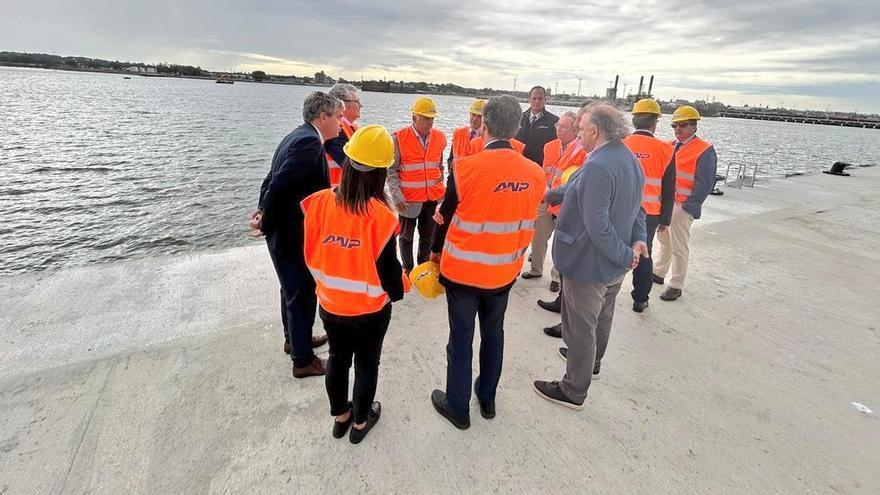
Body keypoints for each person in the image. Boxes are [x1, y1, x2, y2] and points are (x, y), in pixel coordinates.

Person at [428, 95, 545, 429]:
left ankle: (457, 406)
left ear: (485, 124)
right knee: (494, 335)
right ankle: (488, 398)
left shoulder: (464, 168)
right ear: (517, 127)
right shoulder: (535, 174)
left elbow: (444, 217)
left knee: (461, 339)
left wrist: (435, 253)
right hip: (504, 273)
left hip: (463, 274)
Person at [533, 104, 647, 410]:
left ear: (595, 131)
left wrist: (627, 255)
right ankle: (591, 364)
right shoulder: (628, 158)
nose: (578, 135)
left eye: (581, 130)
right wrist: (637, 240)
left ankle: (573, 389)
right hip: (613, 263)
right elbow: (637, 207)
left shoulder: (598, 165)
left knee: (580, 328)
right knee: (602, 318)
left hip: (590, 263)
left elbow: (598, 226)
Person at [301, 124, 406, 444]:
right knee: (366, 364)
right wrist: (402, 289)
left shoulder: (317, 203)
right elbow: (389, 274)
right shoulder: (381, 216)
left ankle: (341, 416)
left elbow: (310, 248)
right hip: (370, 310)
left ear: (347, 162)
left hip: (330, 304)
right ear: (380, 173)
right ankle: (360, 422)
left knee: (337, 360)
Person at [251, 91, 342, 378]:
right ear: (323, 116)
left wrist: (262, 209)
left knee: (289, 290)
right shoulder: (309, 143)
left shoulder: (296, 136)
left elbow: (271, 179)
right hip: (292, 233)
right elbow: (279, 183)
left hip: (282, 231)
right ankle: (303, 361)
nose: (341, 124)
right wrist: (264, 219)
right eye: (338, 117)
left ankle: (295, 340)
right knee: (301, 293)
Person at [653, 105, 718, 301]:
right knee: (664, 240)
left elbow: (705, 182)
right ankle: (659, 272)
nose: (678, 129)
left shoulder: (705, 150)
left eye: (683, 125)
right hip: (666, 202)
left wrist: (690, 206)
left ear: (694, 126)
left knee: (679, 246)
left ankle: (676, 284)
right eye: (675, 125)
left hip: (682, 205)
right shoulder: (670, 145)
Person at [521, 111, 584, 292]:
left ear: (575, 130)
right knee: (538, 236)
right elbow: (543, 172)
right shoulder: (549, 146)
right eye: (558, 126)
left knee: (561, 242)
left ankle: (556, 277)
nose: (558, 129)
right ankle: (536, 269)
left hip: (567, 204)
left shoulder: (581, 151)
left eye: (563, 127)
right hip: (545, 199)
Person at [623, 99, 676, 312]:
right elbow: (669, 187)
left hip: (620, 208)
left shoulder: (620, 142)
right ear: (655, 123)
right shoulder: (666, 149)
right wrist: (665, 219)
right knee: (644, 252)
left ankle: (603, 291)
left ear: (634, 120)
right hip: (649, 213)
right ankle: (640, 298)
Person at [386, 97, 447, 273]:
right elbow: (391, 171)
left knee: (428, 236)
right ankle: (407, 269)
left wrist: (441, 195)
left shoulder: (440, 137)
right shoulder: (398, 138)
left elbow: (439, 166)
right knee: (406, 237)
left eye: (432, 119)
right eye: (425, 118)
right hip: (408, 198)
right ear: (414, 117)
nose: (429, 122)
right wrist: (396, 195)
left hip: (432, 197)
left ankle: (423, 269)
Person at [325, 83, 362, 187]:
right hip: (335, 193)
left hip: (342, 191)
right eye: (357, 101)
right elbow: (353, 166)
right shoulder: (337, 130)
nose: (361, 105)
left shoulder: (351, 128)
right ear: (343, 104)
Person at [515, 86, 559, 165]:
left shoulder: (554, 121)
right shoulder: (518, 119)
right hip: (518, 164)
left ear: (545, 100)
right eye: (534, 98)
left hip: (540, 166)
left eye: (540, 99)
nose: (536, 101)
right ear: (529, 99)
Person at [448, 99, 485, 166]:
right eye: (473, 115)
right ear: (469, 114)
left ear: (484, 119)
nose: (474, 119)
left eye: (479, 116)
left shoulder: (486, 138)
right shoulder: (458, 133)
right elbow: (451, 159)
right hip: (457, 175)